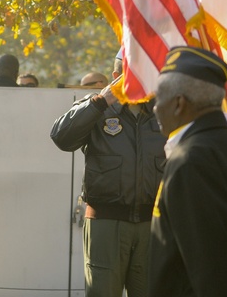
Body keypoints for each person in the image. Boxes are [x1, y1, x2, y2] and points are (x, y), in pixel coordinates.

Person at [149, 46, 227, 297]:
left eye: (157, 98)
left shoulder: (192, 162)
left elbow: (217, 272)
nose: (154, 108)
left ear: (179, 103)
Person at [51, 50, 164, 297]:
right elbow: (61, 137)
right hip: (106, 223)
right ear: (116, 76)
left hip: (151, 225)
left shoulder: (163, 111)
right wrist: (101, 102)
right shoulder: (97, 106)